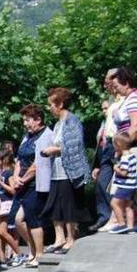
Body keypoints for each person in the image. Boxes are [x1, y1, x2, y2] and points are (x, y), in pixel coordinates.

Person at [40, 87, 91, 253]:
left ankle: (71, 238)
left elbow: (75, 146)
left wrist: (54, 150)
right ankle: (59, 238)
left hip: (70, 172)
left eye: (51, 105)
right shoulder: (57, 124)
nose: (50, 108)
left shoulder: (72, 121)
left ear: (60, 104)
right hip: (56, 172)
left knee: (68, 206)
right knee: (55, 205)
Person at [10, 104, 54, 268]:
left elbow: (38, 164)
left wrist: (24, 179)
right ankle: (33, 250)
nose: (25, 124)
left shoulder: (46, 135)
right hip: (22, 185)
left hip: (36, 184)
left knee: (32, 219)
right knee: (18, 220)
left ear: (38, 119)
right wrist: (15, 176)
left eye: (27, 120)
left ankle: (40, 254)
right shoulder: (27, 136)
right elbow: (19, 159)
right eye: (24, 120)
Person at [90, 69, 122, 232]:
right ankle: (105, 217)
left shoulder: (125, 98)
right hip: (107, 146)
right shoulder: (111, 99)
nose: (106, 85)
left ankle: (118, 218)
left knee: (119, 185)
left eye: (108, 81)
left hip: (119, 143)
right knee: (102, 183)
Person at [0, 148, 22, 265]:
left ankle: (19, 253)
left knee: (3, 232)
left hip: (7, 204)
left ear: (3, 159)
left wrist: (0, 183)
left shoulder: (9, 172)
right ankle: (3, 258)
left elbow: (13, 190)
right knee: (0, 233)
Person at [109, 132, 137, 234]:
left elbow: (124, 173)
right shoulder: (132, 156)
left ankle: (122, 224)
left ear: (119, 145)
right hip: (132, 185)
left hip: (125, 186)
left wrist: (116, 168)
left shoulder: (125, 158)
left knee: (114, 203)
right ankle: (130, 228)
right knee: (128, 206)